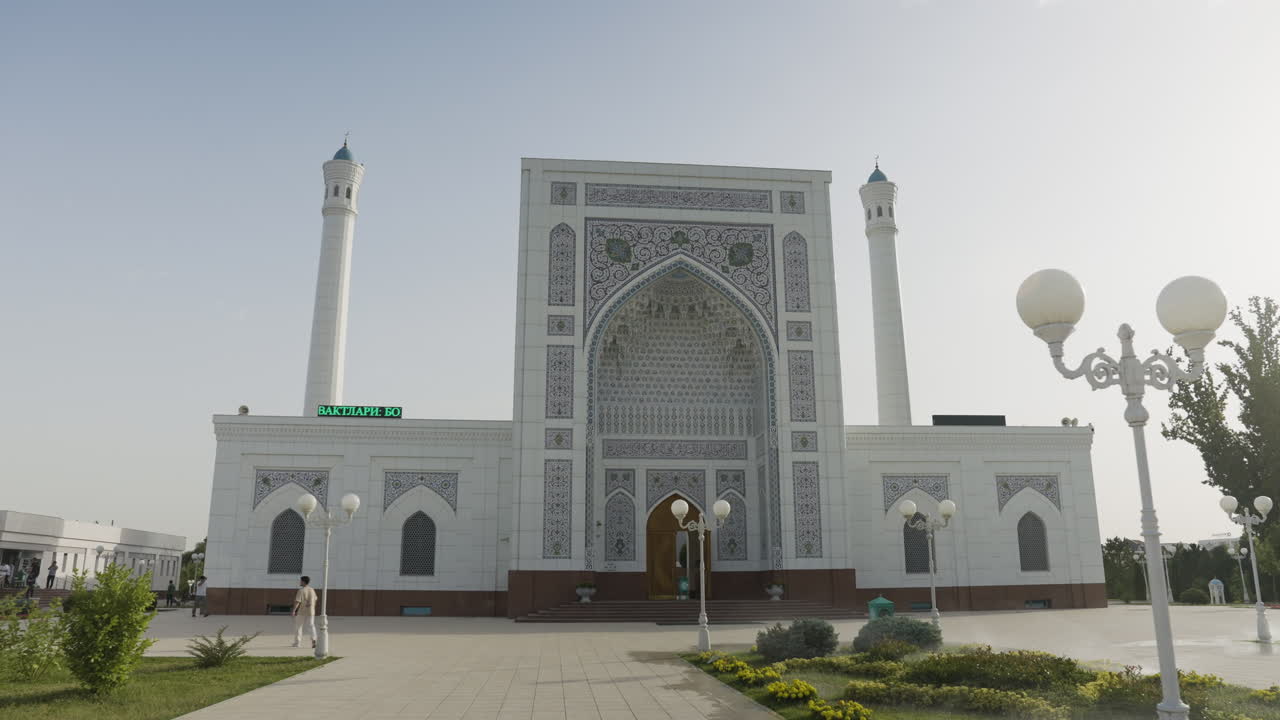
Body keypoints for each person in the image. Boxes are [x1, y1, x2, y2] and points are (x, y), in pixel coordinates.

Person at [291, 575, 317, 649]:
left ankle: (297, 643)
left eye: (300, 581)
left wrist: (294, 610)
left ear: (303, 582)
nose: (300, 582)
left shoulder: (301, 591)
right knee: (311, 626)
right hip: (311, 611)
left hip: (302, 612)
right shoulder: (312, 590)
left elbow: (297, 601)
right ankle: (314, 640)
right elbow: (315, 599)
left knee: (298, 627)